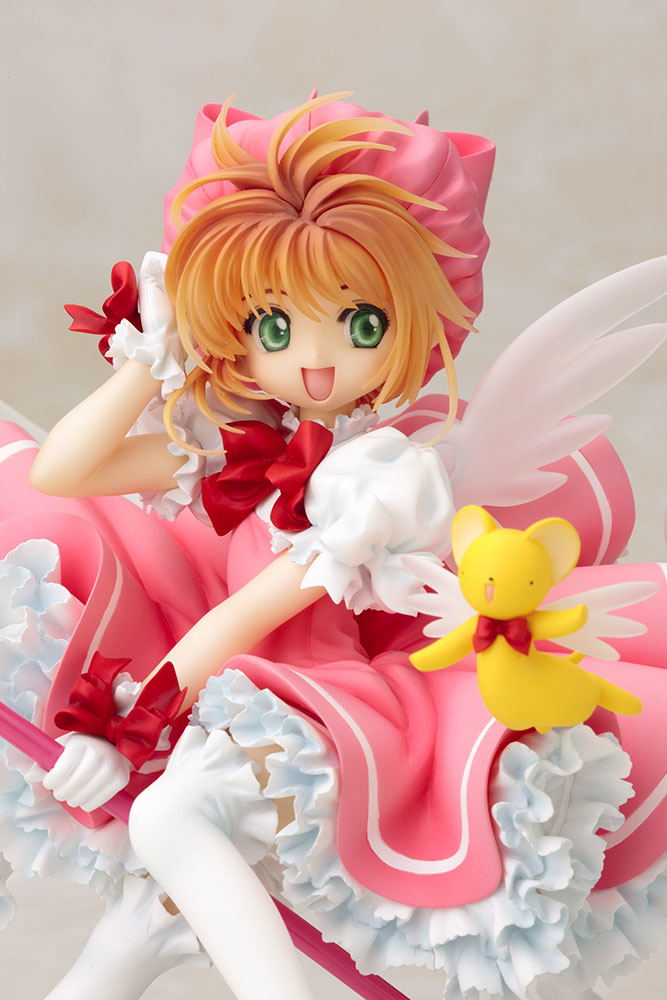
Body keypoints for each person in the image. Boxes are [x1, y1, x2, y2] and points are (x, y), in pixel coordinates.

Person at [0, 92, 665, 1000]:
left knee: (167, 818)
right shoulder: (243, 447)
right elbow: (63, 472)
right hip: (225, 681)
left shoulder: (381, 475)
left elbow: (258, 608)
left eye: (360, 324)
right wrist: (148, 363)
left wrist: (129, 727)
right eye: (274, 327)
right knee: (156, 878)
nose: (315, 361)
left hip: (319, 693)